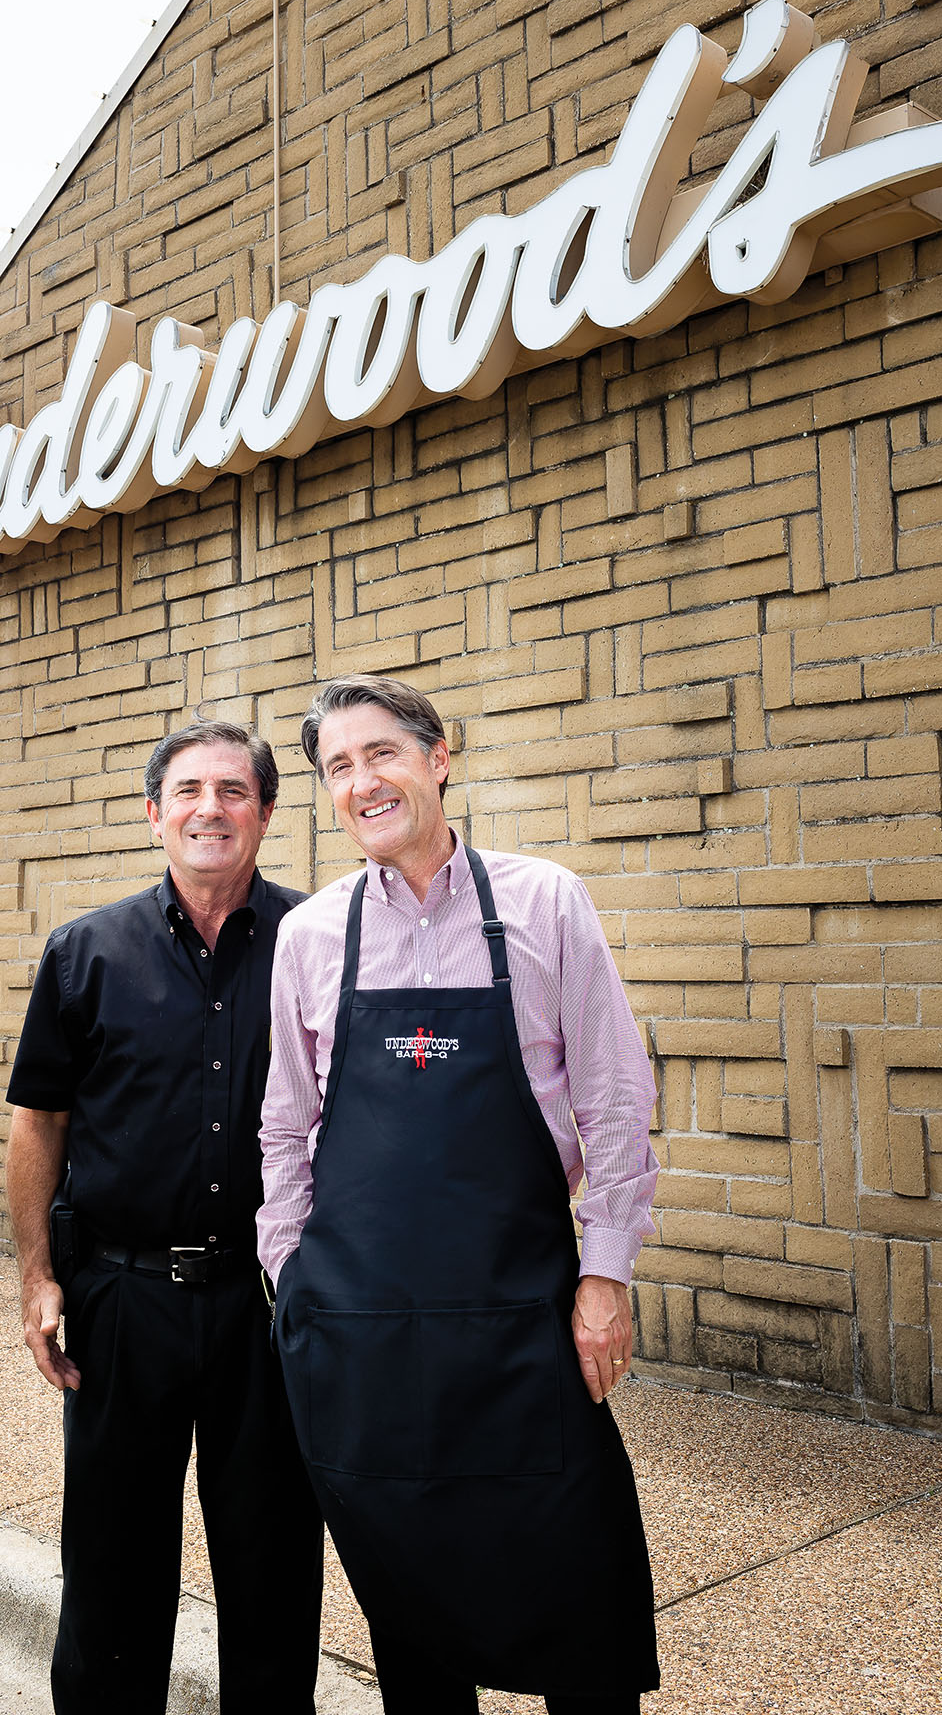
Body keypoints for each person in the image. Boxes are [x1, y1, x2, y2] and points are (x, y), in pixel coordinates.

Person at [258, 675, 662, 1715]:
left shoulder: (543, 900)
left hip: (522, 1313)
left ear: (439, 760)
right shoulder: (312, 936)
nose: (363, 781)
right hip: (363, 1328)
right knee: (412, 1606)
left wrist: (605, 1275)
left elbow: (616, 1100)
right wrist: (290, 1276)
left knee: (584, 1589)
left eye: (381, 753)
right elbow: (284, 1126)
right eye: (338, 768)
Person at [5, 720, 324, 1715]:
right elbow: (37, 1128)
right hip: (122, 1298)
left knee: (273, 1571)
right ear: (155, 814)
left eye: (235, 790)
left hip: (267, 1309)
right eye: (188, 790)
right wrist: (38, 1279)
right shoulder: (84, 954)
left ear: (267, 813)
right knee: (110, 1568)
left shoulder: (320, 943)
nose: (210, 808)